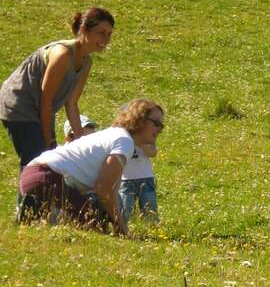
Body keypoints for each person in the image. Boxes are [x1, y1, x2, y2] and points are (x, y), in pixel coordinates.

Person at [0, 7, 115, 215]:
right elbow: (46, 100)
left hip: (41, 110)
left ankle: (37, 211)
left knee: (48, 157)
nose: (105, 39)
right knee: (36, 157)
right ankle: (25, 214)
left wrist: (82, 142)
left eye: (109, 34)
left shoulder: (86, 62)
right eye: (101, 33)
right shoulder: (62, 54)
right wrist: (46, 137)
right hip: (18, 105)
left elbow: (71, 103)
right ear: (84, 30)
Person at [18, 99, 164, 236]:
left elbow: (111, 191)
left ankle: (37, 211)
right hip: (44, 178)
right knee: (94, 223)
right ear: (139, 119)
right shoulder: (124, 141)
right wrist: (121, 228)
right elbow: (103, 189)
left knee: (100, 218)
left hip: (38, 175)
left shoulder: (118, 136)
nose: (160, 129)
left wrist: (118, 222)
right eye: (156, 123)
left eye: (161, 125)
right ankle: (35, 214)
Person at [119, 135, 160, 225]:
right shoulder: (121, 135)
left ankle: (151, 235)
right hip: (126, 180)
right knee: (125, 214)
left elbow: (152, 153)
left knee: (150, 215)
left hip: (146, 178)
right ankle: (125, 234)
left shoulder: (146, 133)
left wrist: (141, 141)